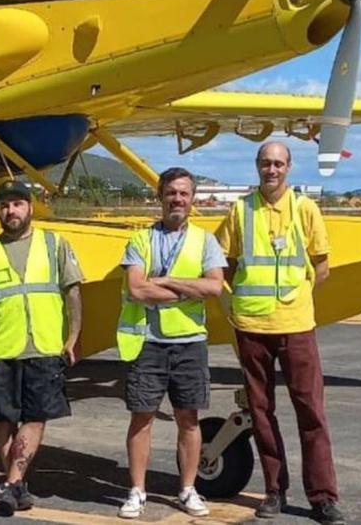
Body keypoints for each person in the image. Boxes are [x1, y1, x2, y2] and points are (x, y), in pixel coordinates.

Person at [216, 141, 344, 525]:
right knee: (261, 412)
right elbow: (223, 263)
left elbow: (321, 267)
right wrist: (237, 303)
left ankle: (322, 496)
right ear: (257, 166)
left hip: (296, 326)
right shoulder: (240, 211)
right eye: (265, 163)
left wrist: (296, 298)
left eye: (278, 164)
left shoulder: (305, 209)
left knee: (312, 412)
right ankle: (275, 490)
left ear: (288, 168)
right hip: (252, 327)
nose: (271, 170)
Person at [116, 167, 225, 520]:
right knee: (141, 418)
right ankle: (137, 491)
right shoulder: (139, 240)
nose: (177, 199)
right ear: (159, 196)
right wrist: (185, 291)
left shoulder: (206, 241)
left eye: (183, 193)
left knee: (189, 420)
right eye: (171, 193)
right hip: (147, 341)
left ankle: (188, 488)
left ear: (192, 199)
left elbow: (213, 287)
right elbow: (136, 288)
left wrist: (167, 282)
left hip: (189, 342)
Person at [0, 180, 83, 516]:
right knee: (4, 419)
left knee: (35, 417)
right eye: (5, 205)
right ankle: (15, 484)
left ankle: (12, 481)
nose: (11, 211)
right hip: (2, 345)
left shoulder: (54, 244)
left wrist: (73, 338)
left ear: (30, 207)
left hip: (44, 346)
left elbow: (73, 293)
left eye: (18, 203)